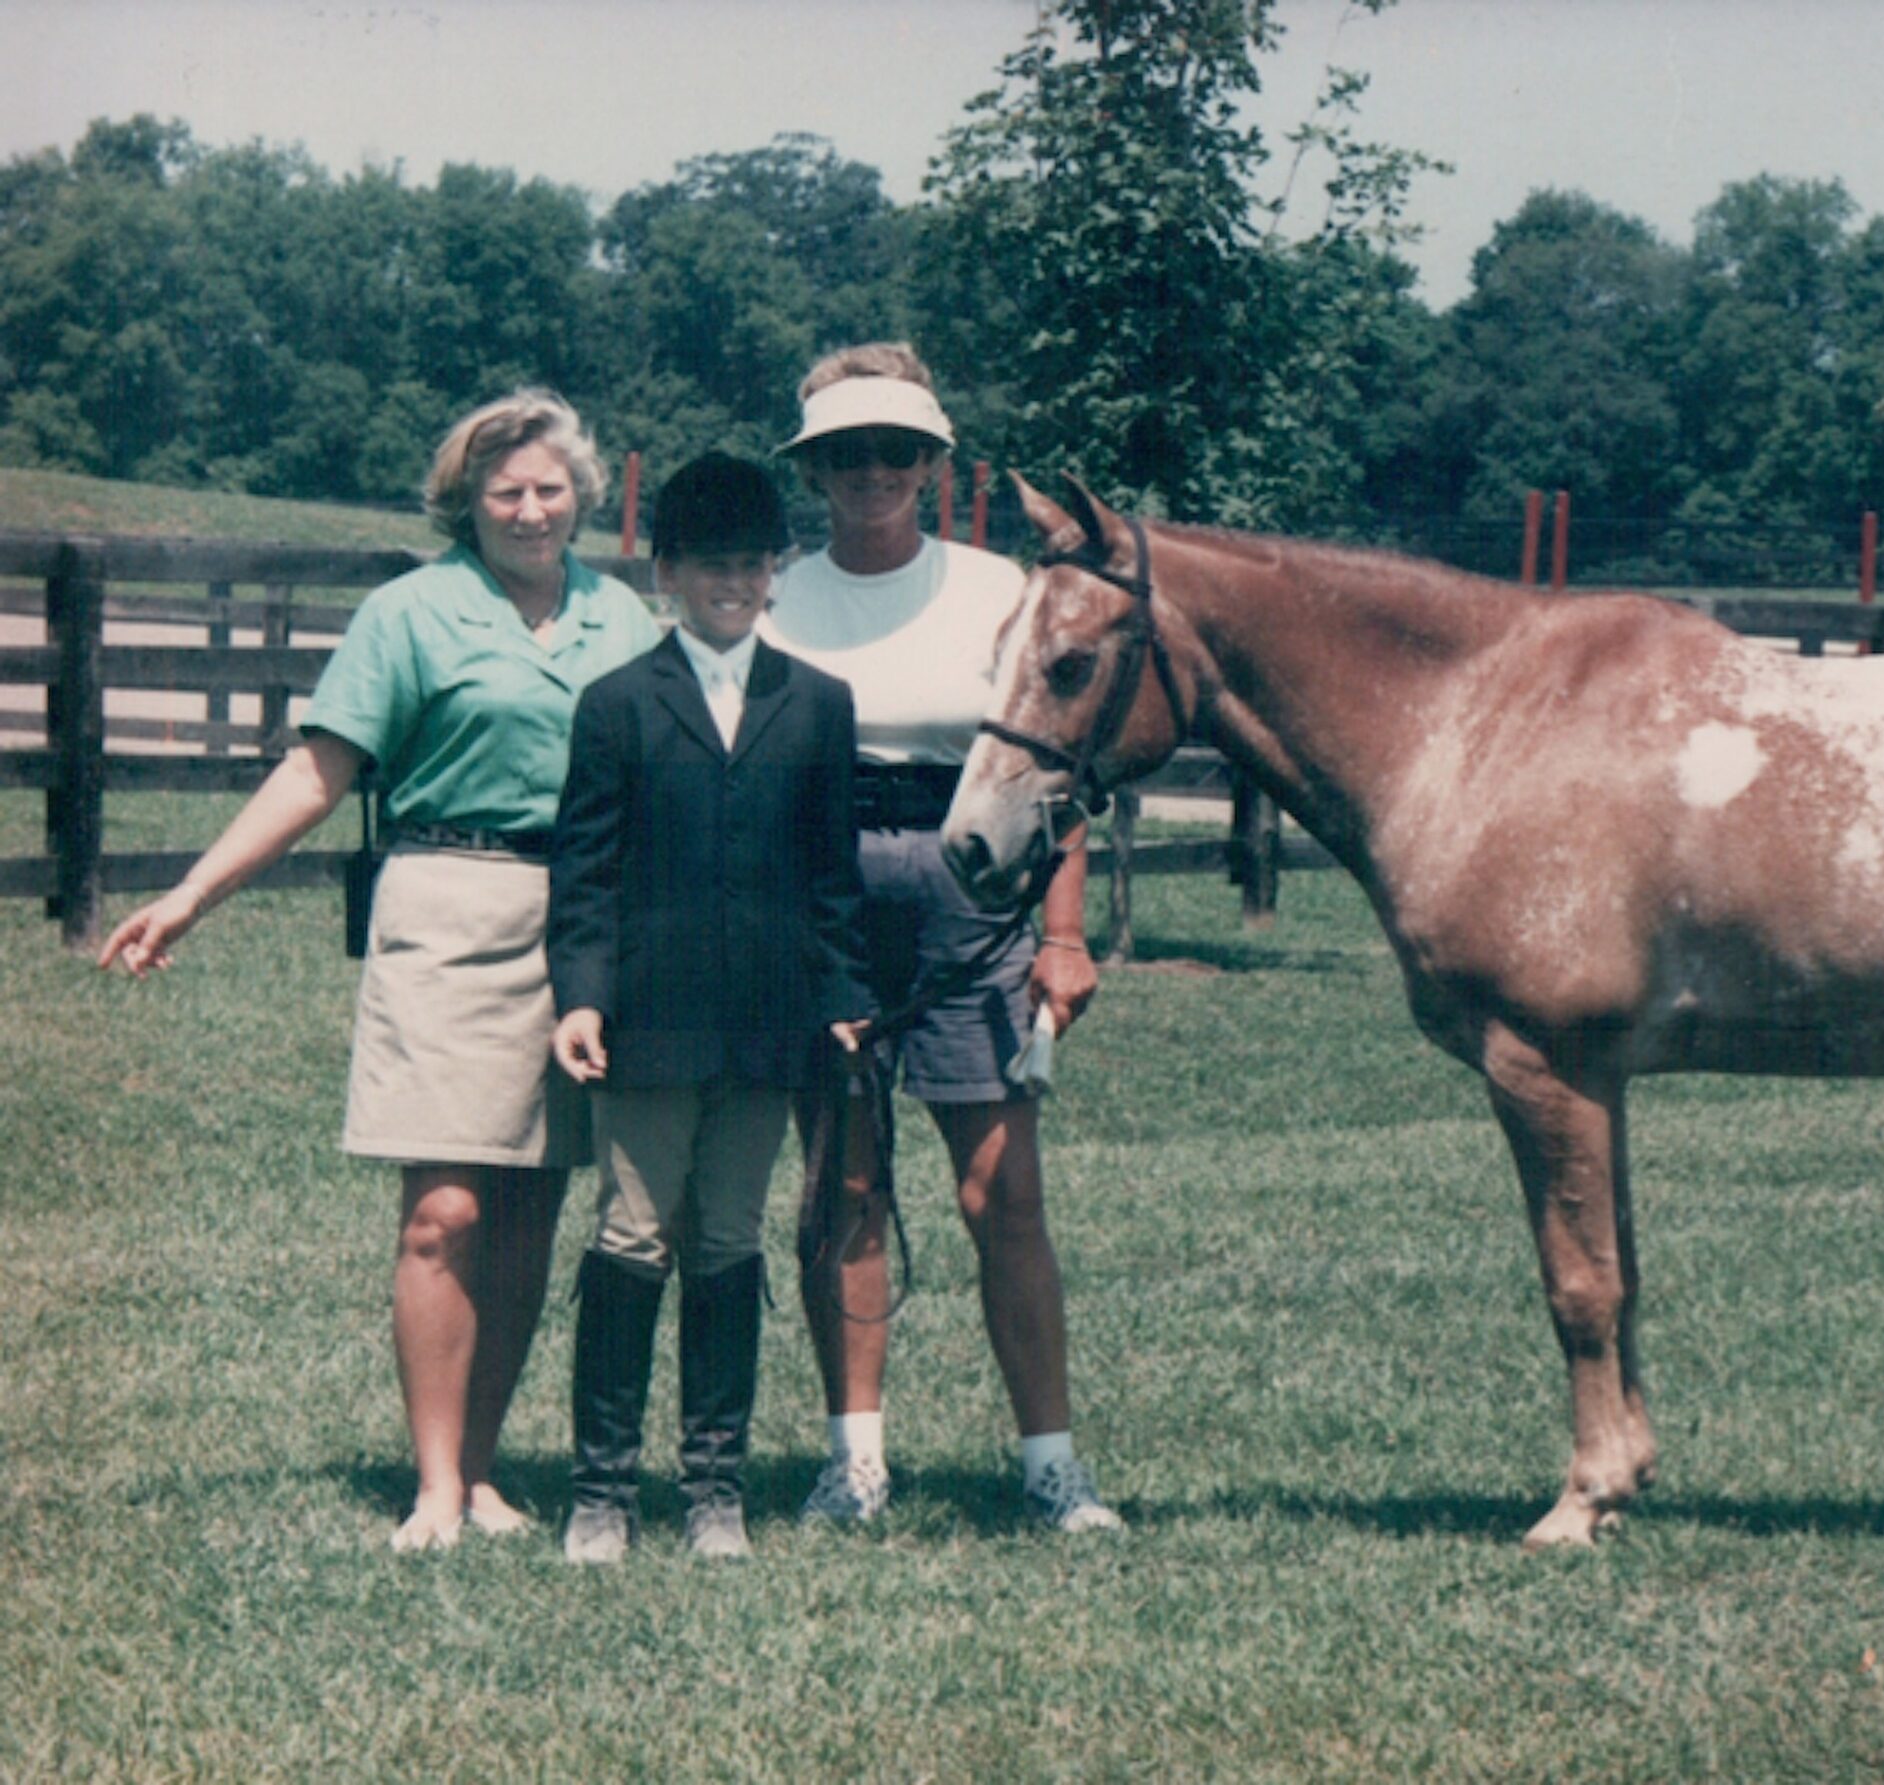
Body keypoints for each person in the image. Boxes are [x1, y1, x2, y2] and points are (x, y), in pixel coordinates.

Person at [97, 389, 662, 1551]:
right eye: (503, 489)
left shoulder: (627, 618)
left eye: (550, 487)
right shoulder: (408, 615)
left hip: (589, 926)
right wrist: (192, 896)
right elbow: (317, 774)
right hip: (447, 908)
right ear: (465, 500)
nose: (529, 507)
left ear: (583, 497)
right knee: (442, 1213)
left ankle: (490, 1470)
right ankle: (436, 1485)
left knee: (526, 1210)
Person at [763, 342, 1119, 1534]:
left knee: (998, 1190)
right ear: (813, 471)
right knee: (845, 1180)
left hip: (973, 882)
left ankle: (1050, 1468)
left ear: (929, 463)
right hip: (822, 889)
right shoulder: (778, 592)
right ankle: (852, 1463)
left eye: (895, 454)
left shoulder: (994, 590)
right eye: (844, 456)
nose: (871, 474)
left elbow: (1048, 762)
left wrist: (1060, 935)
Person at [546, 454, 870, 1563]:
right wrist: (581, 999)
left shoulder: (819, 705)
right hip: (649, 1023)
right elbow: (584, 875)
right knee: (632, 1235)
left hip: (771, 1026)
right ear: (667, 571)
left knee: (729, 1239)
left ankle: (714, 1490)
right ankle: (602, 1492)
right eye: (710, 567)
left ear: (774, 573)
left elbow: (833, 877)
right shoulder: (618, 705)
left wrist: (843, 999)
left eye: (751, 565)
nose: (732, 585)